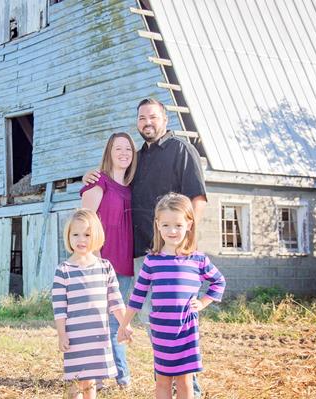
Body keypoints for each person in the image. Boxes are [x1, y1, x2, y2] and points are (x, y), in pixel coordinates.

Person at [83, 98, 207, 397]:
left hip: (173, 254)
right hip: (140, 254)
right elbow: (114, 182)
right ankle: (163, 382)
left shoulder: (181, 150)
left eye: (152, 117)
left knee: (177, 319)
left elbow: (198, 200)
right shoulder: (137, 158)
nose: (147, 122)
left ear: (165, 119)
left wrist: (185, 243)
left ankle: (191, 386)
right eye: (141, 118)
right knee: (154, 322)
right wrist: (91, 177)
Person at [119, 193, 225, 399]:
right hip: (161, 329)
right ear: (157, 225)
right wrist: (125, 324)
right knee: (163, 380)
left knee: (185, 381)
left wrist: (203, 303)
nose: (172, 230)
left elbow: (219, 281)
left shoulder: (198, 259)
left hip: (186, 328)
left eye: (178, 225)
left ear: (189, 224)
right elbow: (138, 294)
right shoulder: (152, 261)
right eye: (166, 225)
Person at [51, 209, 134, 399]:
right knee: (74, 382)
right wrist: (62, 334)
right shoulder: (63, 270)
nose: (81, 239)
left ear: (96, 236)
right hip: (75, 337)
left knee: (90, 382)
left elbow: (115, 301)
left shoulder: (105, 267)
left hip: (97, 335)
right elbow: (59, 309)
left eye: (87, 234)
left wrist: (124, 324)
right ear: (68, 236)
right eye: (76, 234)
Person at [79, 132, 137, 388]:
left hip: (123, 264)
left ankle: (115, 375)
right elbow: (85, 223)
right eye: (118, 148)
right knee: (98, 321)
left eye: (128, 149)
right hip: (100, 263)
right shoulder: (98, 181)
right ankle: (112, 376)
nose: (124, 153)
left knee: (116, 321)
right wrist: (95, 262)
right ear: (109, 153)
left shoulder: (133, 187)